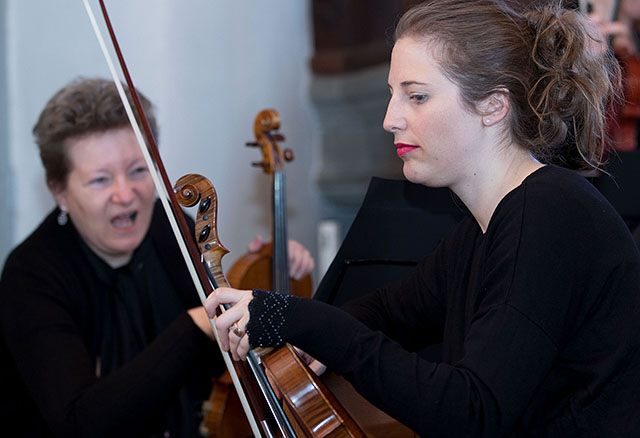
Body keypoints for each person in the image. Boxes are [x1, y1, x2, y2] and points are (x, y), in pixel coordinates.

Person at [205, 1, 640, 436]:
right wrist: (305, 332)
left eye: (416, 96)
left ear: (492, 106)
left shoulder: (549, 212)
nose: (390, 119)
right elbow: (391, 310)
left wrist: (306, 321)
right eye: (393, 96)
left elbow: (470, 410)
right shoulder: (481, 228)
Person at [0, 77, 314, 437]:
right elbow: (81, 422)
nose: (125, 194)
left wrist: (257, 278)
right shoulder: (31, 275)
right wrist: (193, 328)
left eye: (137, 170)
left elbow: (220, 365)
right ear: (60, 191)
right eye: (101, 180)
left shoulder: (172, 226)